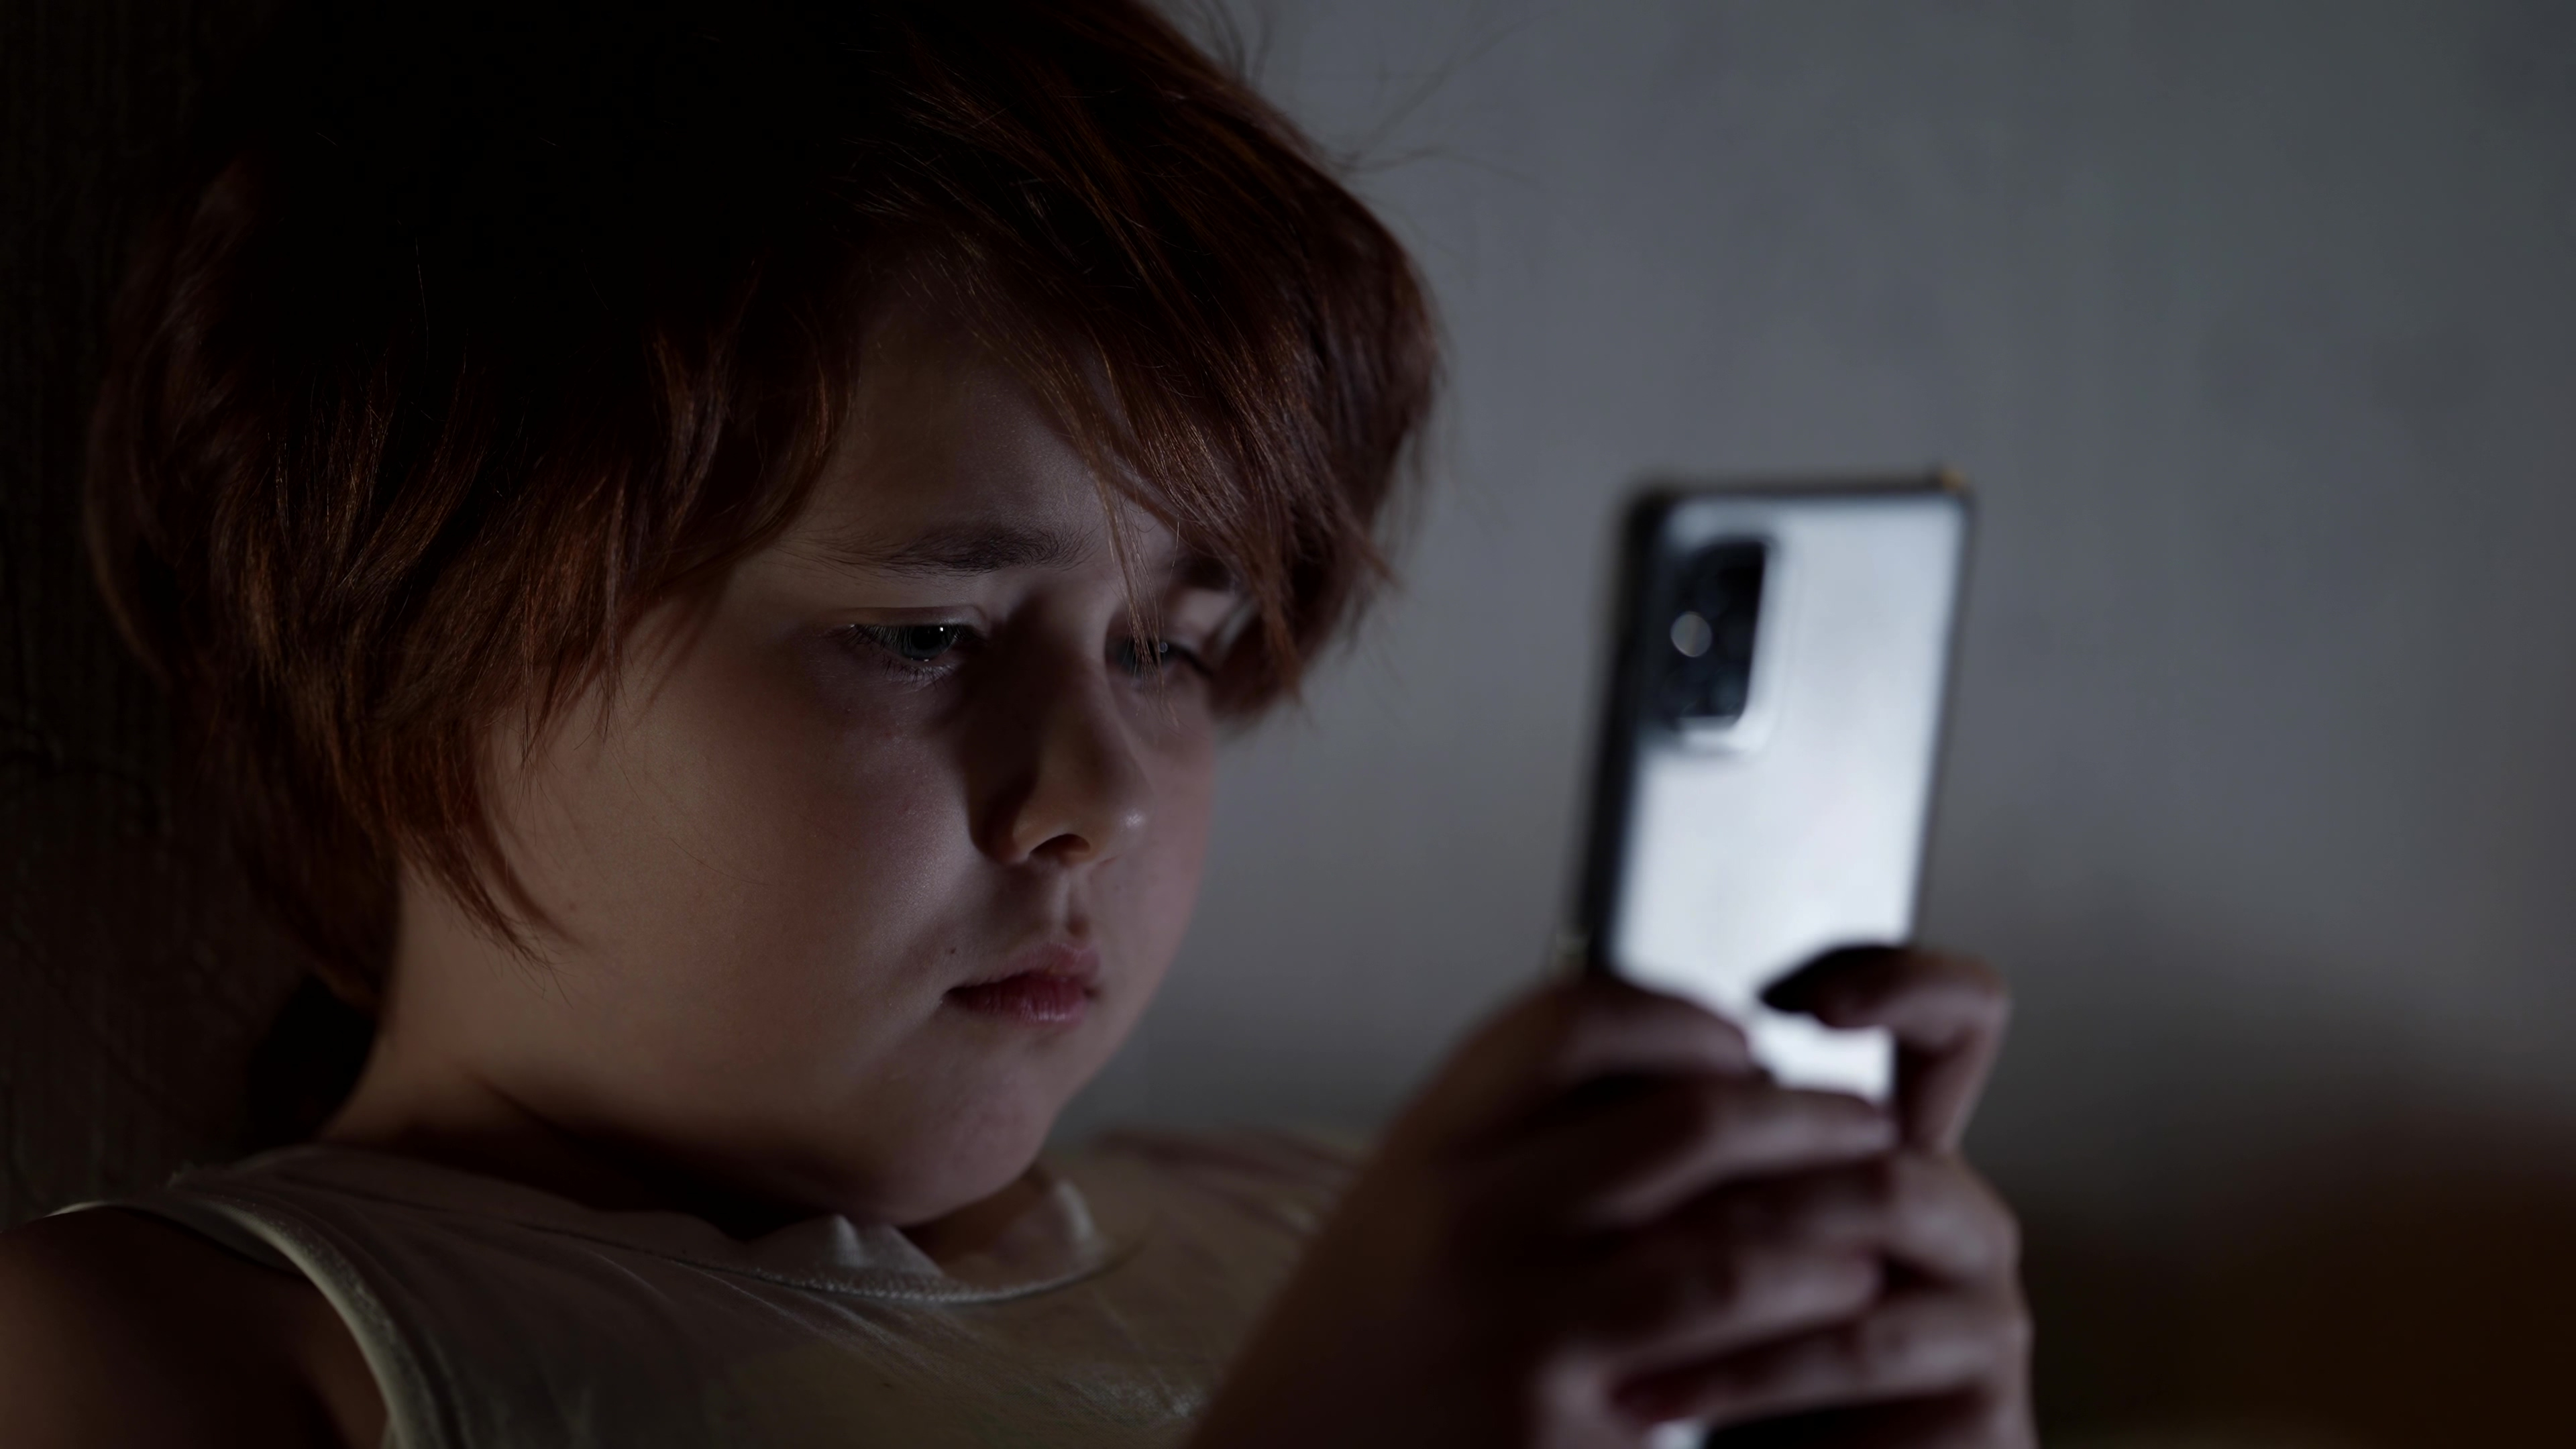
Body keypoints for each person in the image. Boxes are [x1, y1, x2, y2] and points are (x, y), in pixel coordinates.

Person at [0, 1, 2031, 1444]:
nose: (1095, 804)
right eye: (922, 635)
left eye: (1174, 650)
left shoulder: (1345, 1230)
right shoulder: (177, 1356)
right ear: (401, 645)